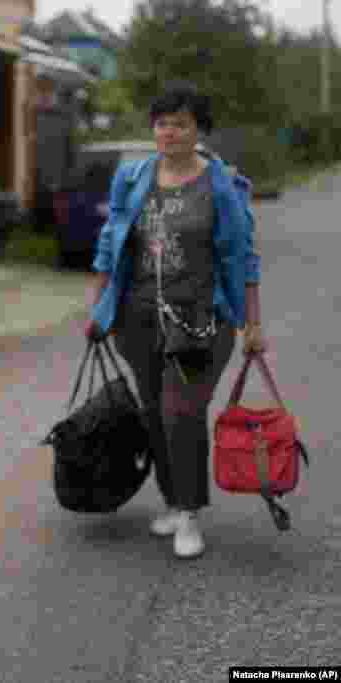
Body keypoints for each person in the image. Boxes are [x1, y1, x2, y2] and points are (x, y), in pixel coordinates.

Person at [84, 81, 265, 559]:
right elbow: (109, 245)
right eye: (162, 123)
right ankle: (171, 498)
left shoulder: (221, 184)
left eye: (180, 123)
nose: (169, 132)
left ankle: (188, 512)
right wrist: (98, 308)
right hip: (137, 315)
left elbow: (242, 257)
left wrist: (253, 323)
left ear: (198, 129)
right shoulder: (132, 177)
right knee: (153, 414)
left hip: (201, 319)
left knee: (180, 411)